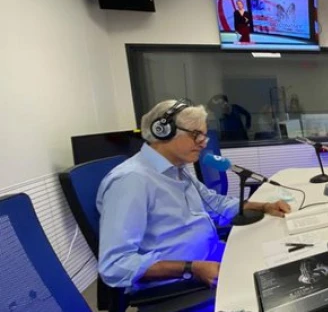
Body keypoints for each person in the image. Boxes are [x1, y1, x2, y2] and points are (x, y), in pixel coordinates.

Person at [97, 100, 291, 291]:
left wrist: (264, 206)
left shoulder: (177, 169)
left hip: (211, 256)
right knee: (277, 286)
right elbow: (115, 265)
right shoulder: (131, 180)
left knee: (283, 259)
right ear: (163, 131)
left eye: (204, 136)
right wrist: (192, 269)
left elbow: (215, 204)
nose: (203, 143)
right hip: (182, 281)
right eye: (196, 135)